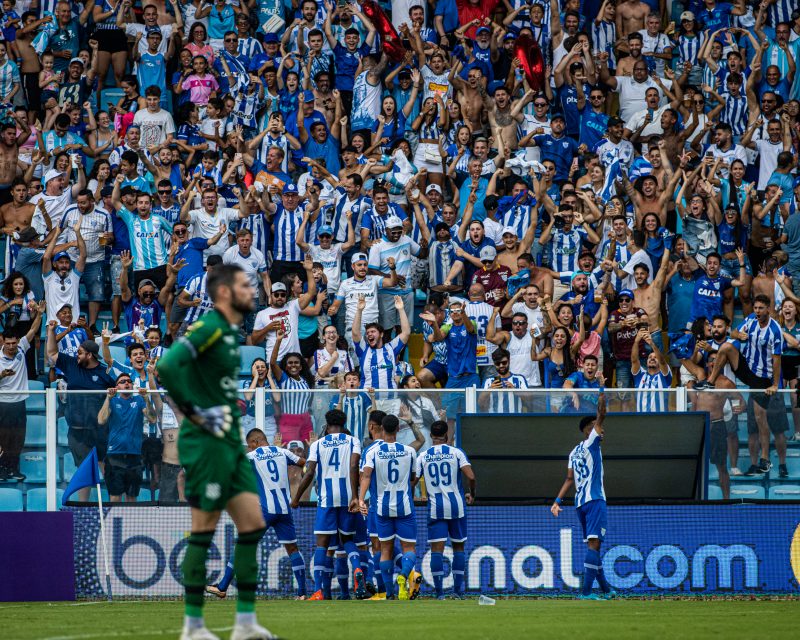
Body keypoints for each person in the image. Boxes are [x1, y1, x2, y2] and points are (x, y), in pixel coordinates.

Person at [156, 264, 275, 640]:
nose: (251, 290)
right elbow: (166, 366)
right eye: (243, 285)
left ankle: (245, 624)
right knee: (204, 531)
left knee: (252, 525)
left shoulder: (230, 332)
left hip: (229, 443)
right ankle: (193, 626)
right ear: (224, 292)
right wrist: (194, 412)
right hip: (206, 443)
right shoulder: (208, 327)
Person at [207, 428, 308, 601]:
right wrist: (304, 475)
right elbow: (305, 464)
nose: (249, 448)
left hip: (266, 511)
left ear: (255, 442)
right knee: (292, 549)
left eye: (249, 445)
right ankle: (303, 593)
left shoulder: (252, 457)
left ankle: (222, 587)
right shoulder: (283, 452)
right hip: (285, 510)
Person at [699, 294, 784, 475]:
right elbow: (733, 333)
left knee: (760, 418)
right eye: (755, 308)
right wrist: (739, 334)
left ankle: (765, 459)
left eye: (761, 308)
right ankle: (710, 382)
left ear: (768, 309)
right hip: (747, 367)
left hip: (762, 377)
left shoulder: (775, 331)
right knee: (726, 348)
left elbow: (777, 360)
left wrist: (775, 384)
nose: (757, 311)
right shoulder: (751, 319)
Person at [291, 409, 364, 601]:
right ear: (344, 423)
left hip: (326, 497)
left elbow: (309, 472)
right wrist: (355, 496)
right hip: (347, 496)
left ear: (327, 424)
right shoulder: (353, 441)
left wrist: (296, 498)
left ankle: (318, 591)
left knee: (322, 544)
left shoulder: (318, 444)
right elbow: (354, 466)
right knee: (347, 539)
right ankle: (357, 569)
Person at [551, 392, 615, 600]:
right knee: (594, 545)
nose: (602, 430)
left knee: (593, 546)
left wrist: (557, 501)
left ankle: (606, 590)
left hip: (580, 503)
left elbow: (569, 479)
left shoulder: (574, 451)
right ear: (590, 430)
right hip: (595, 500)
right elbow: (602, 412)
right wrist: (602, 388)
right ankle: (586, 592)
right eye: (598, 426)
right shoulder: (592, 441)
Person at [413, 419, 476, 600]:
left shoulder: (423, 456)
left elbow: (412, 481)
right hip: (457, 507)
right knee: (459, 548)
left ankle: (439, 593)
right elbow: (471, 477)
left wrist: (413, 496)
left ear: (431, 435)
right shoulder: (456, 453)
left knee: (436, 550)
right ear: (446, 436)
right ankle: (458, 592)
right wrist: (472, 494)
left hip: (436, 508)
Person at [358, 414, 418, 601]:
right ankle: (404, 575)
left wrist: (361, 499)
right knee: (409, 548)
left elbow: (366, 476)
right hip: (404, 506)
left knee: (385, 550)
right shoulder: (409, 451)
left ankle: (390, 593)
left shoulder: (373, 452)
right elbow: (413, 478)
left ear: (382, 429)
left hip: (382, 507)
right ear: (398, 429)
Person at [97, 368, 160, 503]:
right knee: (115, 497)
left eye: (129, 381)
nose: (126, 383)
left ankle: (130, 519)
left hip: (134, 456)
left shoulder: (139, 401)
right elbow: (101, 420)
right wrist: (108, 398)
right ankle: (115, 519)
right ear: (116, 387)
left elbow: (153, 419)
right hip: (115, 456)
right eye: (122, 381)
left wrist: (146, 399)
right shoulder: (113, 401)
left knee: (131, 497)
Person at [0, 300, 44, 481]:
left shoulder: (21, 348)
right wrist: (2, 375)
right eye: (8, 343)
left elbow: (33, 330)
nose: (11, 346)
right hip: (3, 404)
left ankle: (13, 469)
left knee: (18, 438)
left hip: (19, 403)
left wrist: (39, 314)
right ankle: (2, 470)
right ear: (3, 343)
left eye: (13, 343)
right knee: (3, 438)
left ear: (17, 341)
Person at [352, 293, 411, 389]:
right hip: (367, 396)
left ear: (381, 334)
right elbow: (355, 333)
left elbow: (406, 333)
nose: (369, 334)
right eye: (367, 333)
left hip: (390, 396)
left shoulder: (391, 347)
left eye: (373, 331)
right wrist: (359, 310)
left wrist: (401, 309)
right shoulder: (364, 349)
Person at [631, 328, 673, 412]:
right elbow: (634, 360)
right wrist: (636, 341)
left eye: (655, 357)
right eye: (650, 357)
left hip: (659, 418)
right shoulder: (640, 375)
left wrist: (652, 344)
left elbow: (662, 362)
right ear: (646, 362)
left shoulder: (665, 376)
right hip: (642, 418)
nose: (652, 359)